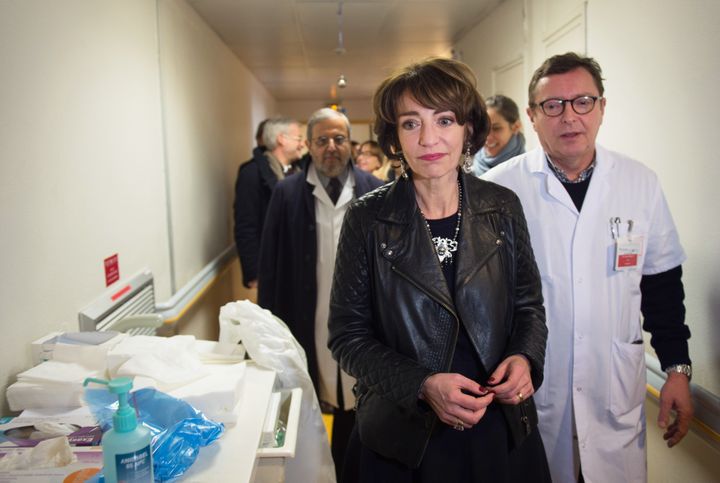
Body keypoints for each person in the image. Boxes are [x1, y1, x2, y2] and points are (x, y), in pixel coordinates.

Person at [328, 57, 551, 483]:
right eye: (411, 123)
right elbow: (346, 336)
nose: (429, 138)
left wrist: (525, 356)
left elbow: (529, 307)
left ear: (468, 128)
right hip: (404, 440)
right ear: (394, 136)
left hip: (497, 429)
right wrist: (422, 384)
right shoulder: (367, 220)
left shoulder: (501, 207)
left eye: (444, 120)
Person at [483, 52, 693, 483]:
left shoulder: (640, 182)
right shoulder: (497, 190)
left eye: (582, 101)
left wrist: (677, 369)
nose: (569, 117)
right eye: (553, 105)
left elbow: (662, 288)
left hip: (613, 392)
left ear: (601, 108)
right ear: (533, 116)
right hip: (531, 395)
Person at [258, 108, 383, 480]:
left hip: (363, 320)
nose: (331, 147)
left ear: (351, 143)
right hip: (306, 313)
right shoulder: (287, 193)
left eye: (339, 139)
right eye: (322, 140)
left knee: (360, 398)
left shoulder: (374, 190)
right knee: (309, 396)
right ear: (309, 145)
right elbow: (270, 263)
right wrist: (268, 325)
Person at [233, 117, 304, 289]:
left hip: (297, 267)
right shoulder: (252, 174)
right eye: (299, 138)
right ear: (281, 139)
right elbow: (246, 227)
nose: (302, 144)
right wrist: (254, 273)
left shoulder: (298, 171)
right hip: (271, 268)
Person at [472, 94, 525, 176]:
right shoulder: (469, 174)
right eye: (483, 128)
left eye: (496, 128)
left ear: (516, 127)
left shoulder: (527, 171)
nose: (487, 137)